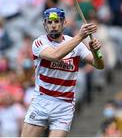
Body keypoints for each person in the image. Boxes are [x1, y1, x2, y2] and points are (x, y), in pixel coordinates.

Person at [21, 7, 104, 137]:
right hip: (42, 101)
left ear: (64, 23)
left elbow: (99, 65)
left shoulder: (77, 44)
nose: (53, 25)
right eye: (49, 22)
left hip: (64, 105)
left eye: (57, 21)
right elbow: (55, 55)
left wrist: (95, 51)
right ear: (44, 25)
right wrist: (80, 36)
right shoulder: (39, 43)